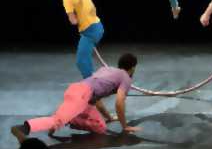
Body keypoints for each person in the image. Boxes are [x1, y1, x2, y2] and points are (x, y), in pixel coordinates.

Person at [11, 53, 141, 144]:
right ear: (133, 67)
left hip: (79, 91)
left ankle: (68, 117)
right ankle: (23, 128)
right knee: (57, 120)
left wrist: (109, 118)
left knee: (100, 127)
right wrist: (125, 127)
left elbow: (97, 100)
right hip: (82, 95)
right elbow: (119, 103)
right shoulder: (125, 77)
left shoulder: (107, 69)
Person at [59, 0, 104, 78]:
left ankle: (92, 85)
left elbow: (73, 21)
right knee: (84, 59)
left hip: (90, 31)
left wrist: (76, 18)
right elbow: (93, 8)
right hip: (97, 26)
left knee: (81, 61)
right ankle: (92, 81)